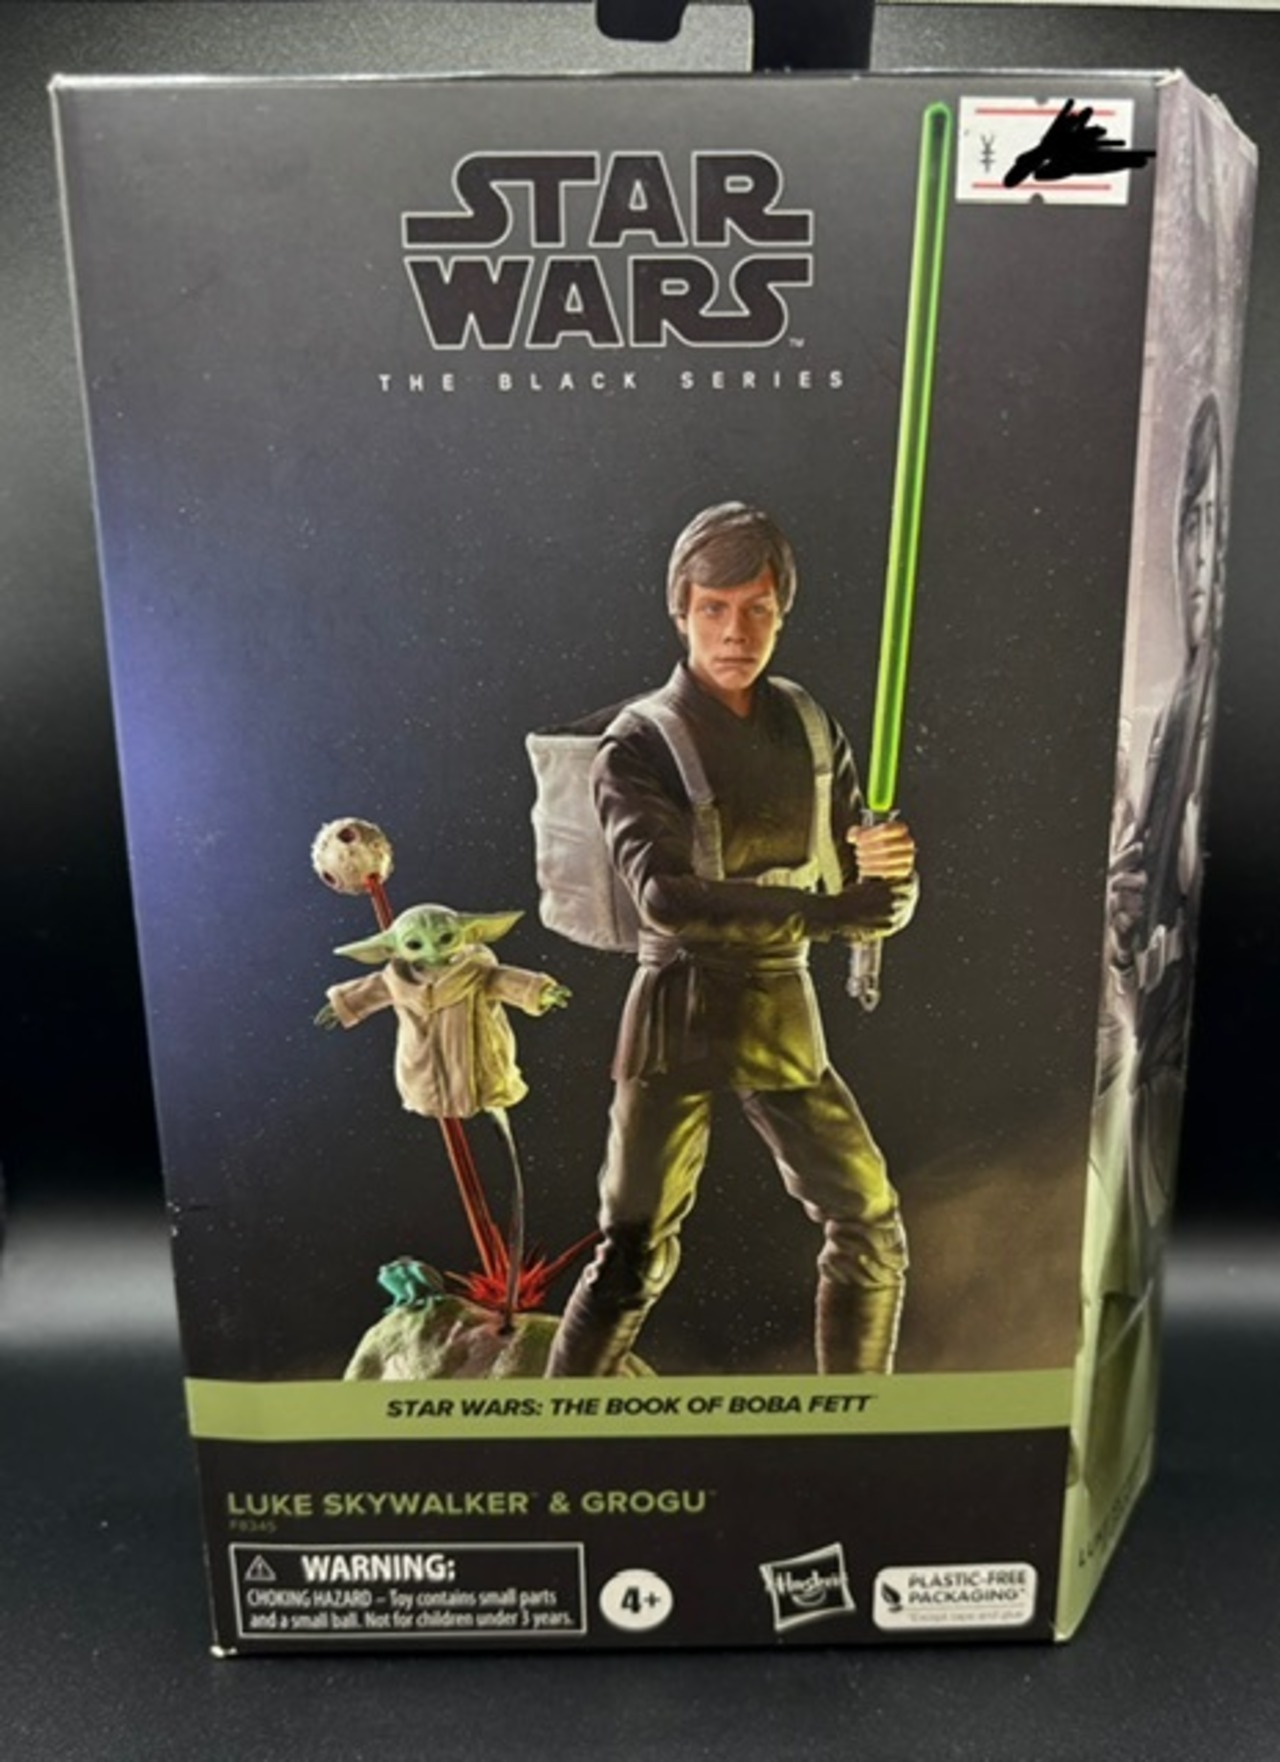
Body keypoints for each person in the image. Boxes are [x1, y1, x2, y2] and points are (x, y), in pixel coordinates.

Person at [546, 502, 919, 1377]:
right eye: (713, 608)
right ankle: (557, 1422)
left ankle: (853, 1425)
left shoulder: (811, 726)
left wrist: (892, 877)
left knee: (871, 1226)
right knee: (633, 1251)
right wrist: (834, 915)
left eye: (757, 609)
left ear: (782, 612)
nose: (735, 632)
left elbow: (869, 886)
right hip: (677, 1011)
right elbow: (666, 899)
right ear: (681, 611)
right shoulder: (637, 743)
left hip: (781, 1005)